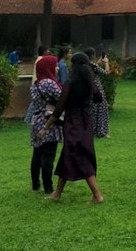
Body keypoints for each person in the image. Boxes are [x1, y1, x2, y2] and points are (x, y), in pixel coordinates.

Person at [47, 52, 104, 204]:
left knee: (77, 155)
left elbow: (59, 108)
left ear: (74, 66)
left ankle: (97, 195)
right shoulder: (89, 82)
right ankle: (57, 193)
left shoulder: (70, 83)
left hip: (73, 122)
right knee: (69, 154)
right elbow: (98, 98)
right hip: (86, 120)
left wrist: (47, 126)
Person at [28, 54, 62, 193]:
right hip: (48, 121)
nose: (57, 68)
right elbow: (62, 97)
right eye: (55, 65)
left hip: (36, 120)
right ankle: (48, 187)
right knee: (48, 155)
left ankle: (36, 184)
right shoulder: (49, 83)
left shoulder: (35, 84)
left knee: (37, 154)